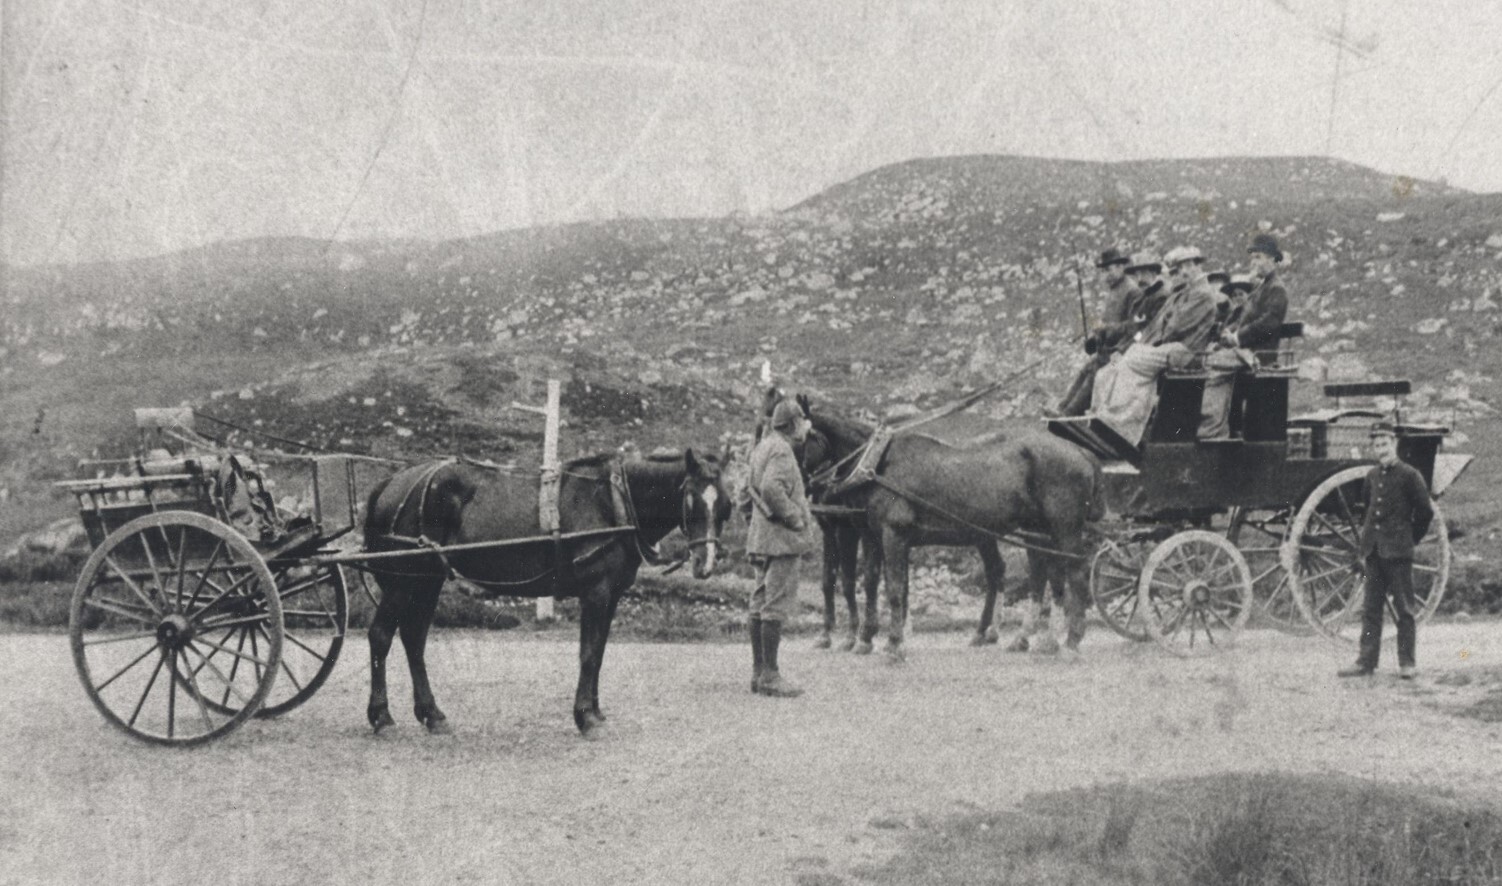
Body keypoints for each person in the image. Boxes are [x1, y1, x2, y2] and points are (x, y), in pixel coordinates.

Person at [1089, 246, 1221, 443]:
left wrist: (1150, 338)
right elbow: (1152, 327)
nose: (1183, 272)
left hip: (1185, 351)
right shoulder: (1181, 293)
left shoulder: (1201, 294)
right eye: (1179, 268)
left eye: (1186, 267)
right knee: (1107, 371)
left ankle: (1123, 425)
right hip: (1167, 347)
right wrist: (1132, 345)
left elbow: (1174, 327)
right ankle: (1101, 417)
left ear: (1197, 266)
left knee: (1131, 361)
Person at [1338, 421, 1435, 680]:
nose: (1381, 448)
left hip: (1399, 552)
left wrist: (1410, 538)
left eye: (1385, 443)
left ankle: (1407, 663)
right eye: (1377, 444)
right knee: (1371, 610)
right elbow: (1368, 508)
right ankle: (1365, 662)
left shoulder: (1410, 475)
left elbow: (1425, 512)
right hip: (1374, 552)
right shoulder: (1371, 476)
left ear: (1395, 444)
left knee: (1404, 608)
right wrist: (1368, 544)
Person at [741, 396, 814, 697]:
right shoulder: (782, 450)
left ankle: (759, 673)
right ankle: (770, 675)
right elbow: (772, 488)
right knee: (775, 604)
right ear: (794, 423)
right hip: (781, 540)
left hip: (762, 537)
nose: (805, 428)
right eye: (802, 422)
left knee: (759, 601)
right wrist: (794, 517)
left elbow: (750, 488)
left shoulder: (763, 446)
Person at [1053, 247, 1139, 416]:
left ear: (1121, 267)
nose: (1105, 275)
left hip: (1121, 354)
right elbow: (1108, 324)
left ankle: (1070, 413)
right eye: (1103, 271)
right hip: (1106, 351)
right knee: (1087, 368)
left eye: (1109, 270)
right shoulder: (1114, 290)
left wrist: (1105, 329)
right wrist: (1095, 339)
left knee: (1098, 373)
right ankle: (1062, 407)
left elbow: (1132, 327)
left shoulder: (1132, 291)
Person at [1220, 233, 1290, 364]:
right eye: (1252, 258)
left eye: (1258, 257)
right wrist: (1229, 330)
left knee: (1215, 362)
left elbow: (1268, 323)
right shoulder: (1260, 288)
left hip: (1260, 354)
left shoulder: (1276, 289)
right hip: (1246, 351)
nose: (1253, 263)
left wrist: (1237, 337)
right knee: (1214, 357)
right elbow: (1245, 317)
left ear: (1272, 259)